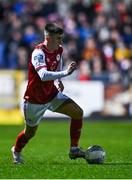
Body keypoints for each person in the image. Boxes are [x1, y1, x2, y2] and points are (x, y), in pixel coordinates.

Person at [11, 23, 85, 164]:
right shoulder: (38, 53)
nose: (60, 41)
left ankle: (74, 148)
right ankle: (16, 150)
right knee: (30, 133)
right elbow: (43, 75)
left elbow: (58, 62)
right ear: (49, 38)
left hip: (51, 94)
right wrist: (66, 73)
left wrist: (59, 79)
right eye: (58, 38)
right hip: (34, 100)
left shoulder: (59, 49)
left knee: (78, 113)